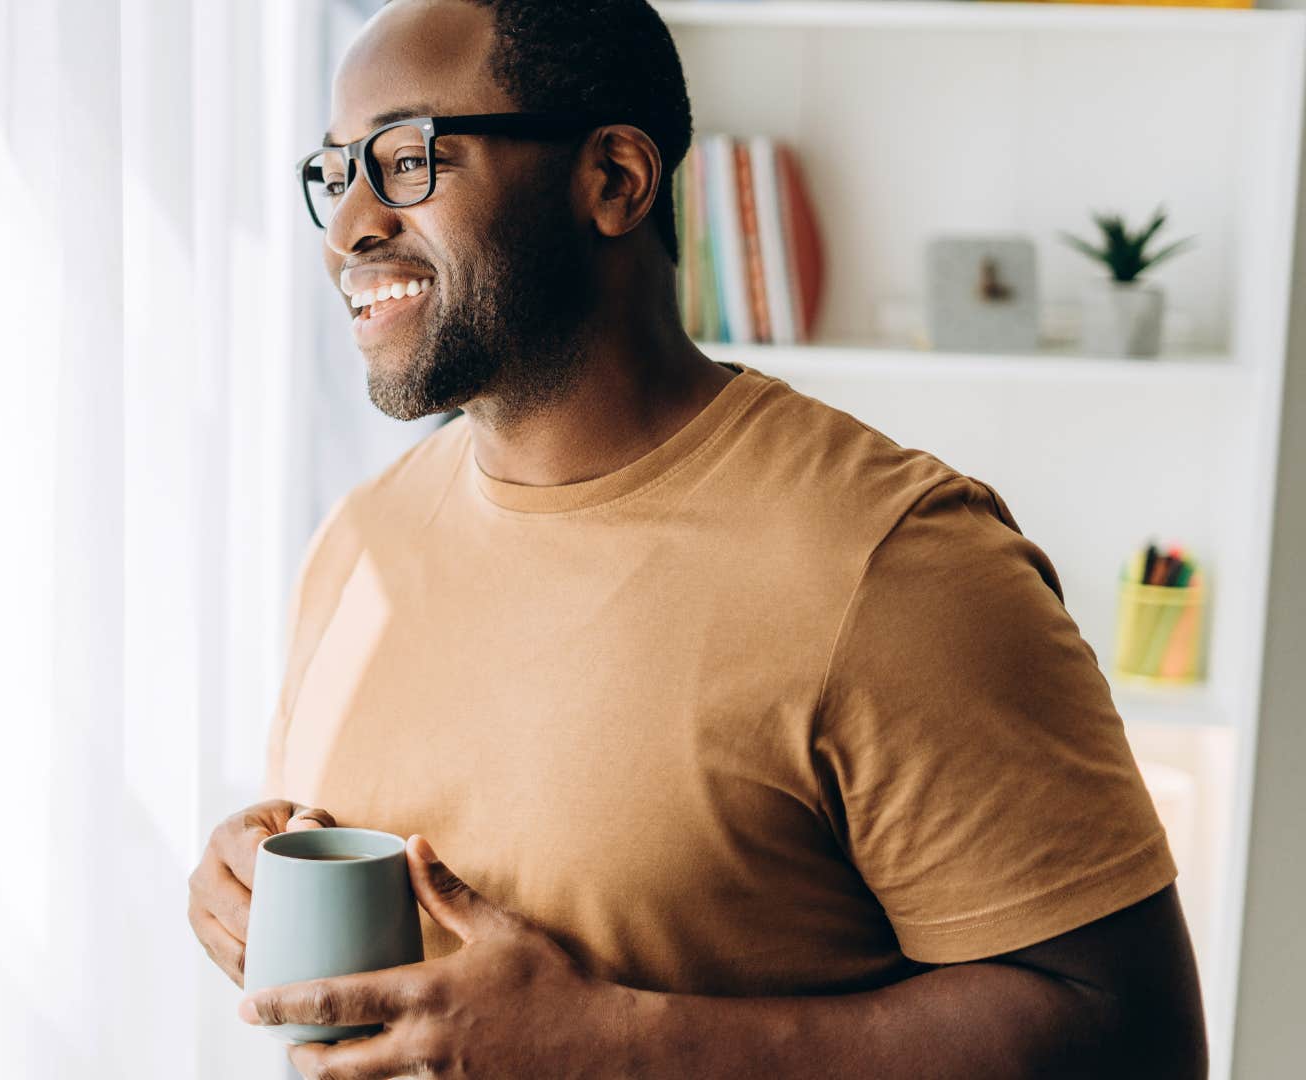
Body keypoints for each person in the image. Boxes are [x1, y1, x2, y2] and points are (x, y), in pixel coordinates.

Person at [186, 1, 1207, 1076]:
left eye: (403, 159)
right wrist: (248, 873)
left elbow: (1134, 1037)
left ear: (616, 179)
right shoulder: (361, 542)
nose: (347, 225)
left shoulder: (898, 565)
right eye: (336, 170)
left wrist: (625, 1045)